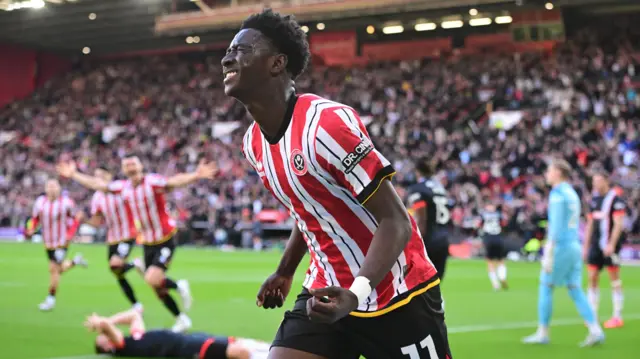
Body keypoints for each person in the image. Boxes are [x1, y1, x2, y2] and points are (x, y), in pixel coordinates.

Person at [223, 9, 451, 359]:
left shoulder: (326, 126)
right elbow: (310, 208)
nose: (227, 58)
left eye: (242, 50)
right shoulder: (253, 144)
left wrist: (357, 294)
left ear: (276, 63)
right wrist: (285, 271)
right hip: (325, 291)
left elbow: (396, 220)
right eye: (229, 50)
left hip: (398, 292)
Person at [57, 156, 217, 332]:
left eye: (133, 162)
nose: (130, 165)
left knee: (151, 278)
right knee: (156, 287)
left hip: (165, 238)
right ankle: (181, 318)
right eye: (126, 164)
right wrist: (74, 174)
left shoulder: (152, 182)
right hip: (147, 242)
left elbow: (173, 182)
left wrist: (196, 175)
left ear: (141, 166)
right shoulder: (123, 188)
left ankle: (179, 286)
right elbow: (98, 185)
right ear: (123, 170)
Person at [522, 160, 604, 347]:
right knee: (575, 288)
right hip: (574, 244)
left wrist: (549, 251)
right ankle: (595, 329)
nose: (547, 174)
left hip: (562, 247)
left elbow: (556, 225)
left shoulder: (558, 194)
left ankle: (543, 332)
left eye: (550, 170)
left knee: (545, 286)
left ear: (558, 172)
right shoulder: (572, 193)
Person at [87, 308, 270, 359]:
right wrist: (102, 323)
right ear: (107, 345)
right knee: (237, 352)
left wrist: (108, 321)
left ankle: (276, 351)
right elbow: (106, 326)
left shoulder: (135, 338)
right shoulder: (123, 346)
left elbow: (134, 315)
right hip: (186, 349)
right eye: (103, 337)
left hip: (189, 339)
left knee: (237, 342)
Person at [25, 178, 88, 311]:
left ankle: (50, 299)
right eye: (49, 186)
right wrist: (31, 228)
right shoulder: (40, 202)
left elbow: (77, 218)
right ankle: (75, 262)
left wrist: (70, 234)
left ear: (59, 188)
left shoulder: (66, 203)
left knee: (53, 269)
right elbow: (35, 219)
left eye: (54, 186)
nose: (52, 189)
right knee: (57, 269)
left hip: (61, 241)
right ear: (46, 188)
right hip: (48, 242)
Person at [86, 167, 144, 311]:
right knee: (117, 272)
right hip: (112, 238)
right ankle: (136, 305)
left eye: (101, 176)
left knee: (115, 264)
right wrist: (83, 220)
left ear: (109, 176)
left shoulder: (121, 189)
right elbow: (96, 222)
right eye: (95, 177)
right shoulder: (97, 197)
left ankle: (136, 264)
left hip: (128, 233)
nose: (98, 180)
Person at [583, 172, 628, 329]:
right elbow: (589, 225)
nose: (595, 184)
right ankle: (592, 314)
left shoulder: (615, 199)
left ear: (606, 181)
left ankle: (617, 315)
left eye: (598, 180)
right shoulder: (594, 200)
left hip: (610, 244)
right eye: (594, 181)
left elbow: (618, 224)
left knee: (614, 278)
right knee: (592, 277)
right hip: (595, 244)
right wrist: (585, 246)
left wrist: (611, 244)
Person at [406, 159, 451, 281]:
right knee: (435, 284)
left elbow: (421, 219)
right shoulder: (440, 189)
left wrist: (414, 244)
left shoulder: (418, 189)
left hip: (429, 241)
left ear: (417, 172)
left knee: (419, 284)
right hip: (443, 239)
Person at [478, 203, 508, 291]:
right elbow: (504, 224)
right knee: (501, 260)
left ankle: (495, 284)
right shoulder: (499, 215)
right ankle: (502, 277)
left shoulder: (483, 214)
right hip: (498, 237)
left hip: (489, 238)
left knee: (490, 261)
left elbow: (479, 225)